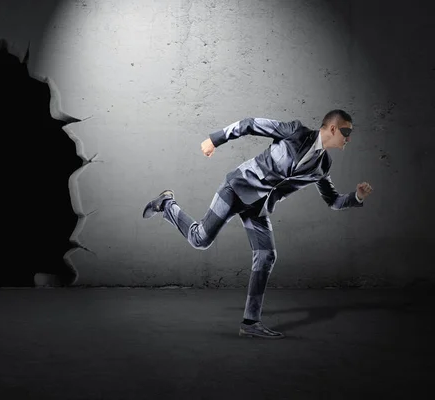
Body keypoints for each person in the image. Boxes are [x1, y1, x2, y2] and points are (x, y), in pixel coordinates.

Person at [142, 109, 373, 339]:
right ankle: (166, 203)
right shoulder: (295, 131)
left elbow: (333, 201)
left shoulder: (323, 166)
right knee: (200, 239)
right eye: (346, 132)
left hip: (258, 207)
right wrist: (215, 140)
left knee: (266, 255)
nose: (348, 138)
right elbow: (250, 124)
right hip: (237, 188)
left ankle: (250, 323)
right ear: (332, 128)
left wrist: (357, 197)